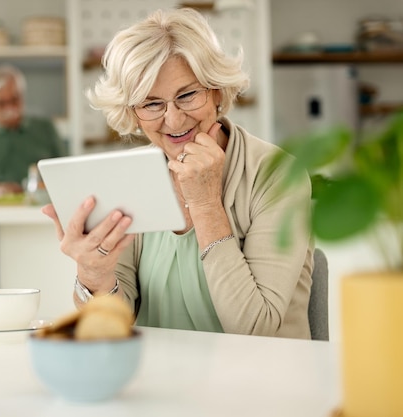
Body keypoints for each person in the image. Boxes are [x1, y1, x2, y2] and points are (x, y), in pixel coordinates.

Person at [42, 8, 314, 339]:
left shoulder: (277, 174)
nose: (173, 120)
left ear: (215, 91)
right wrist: (93, 274)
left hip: (258, 382)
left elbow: (254, 328)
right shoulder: (131, 175)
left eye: (187, 95)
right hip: (158, 378)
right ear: (134, 113)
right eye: (152, 104)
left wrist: (205, 202)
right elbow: (113, 325)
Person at [0, 64, 66, 288]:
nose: (10, 107)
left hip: (47, 235)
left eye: (15, 99)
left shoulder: (45, 129)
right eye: (1, 102)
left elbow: (67, 173)